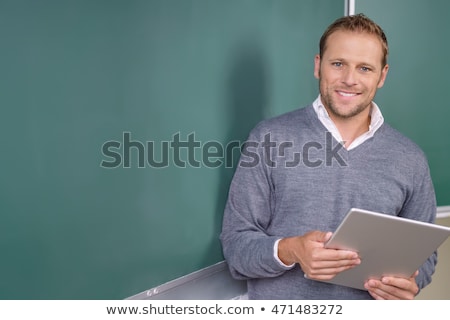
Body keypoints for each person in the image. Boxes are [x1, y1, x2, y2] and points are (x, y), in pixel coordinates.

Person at [220, 13, 437, 300]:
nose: (349, 80)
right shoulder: (269, 138)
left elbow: (424, 256)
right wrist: (290, 250)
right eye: (338, 64)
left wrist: (411, 281)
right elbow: (236, 247)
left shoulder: (410, 159)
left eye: (364, 68)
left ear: (382, 76)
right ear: (318, 65)